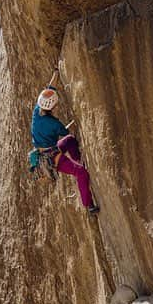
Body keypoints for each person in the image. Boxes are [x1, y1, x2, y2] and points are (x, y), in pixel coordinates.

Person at [31, 68, 99, 214]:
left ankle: (78, 161)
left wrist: (55, 74)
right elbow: (64, 131)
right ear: (54, 106)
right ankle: (89, 205)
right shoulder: (54, 123)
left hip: (45, 152)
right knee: (81, 173)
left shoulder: (37, 111)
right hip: (52, 158)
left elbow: (49, 89)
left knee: (70, 140)